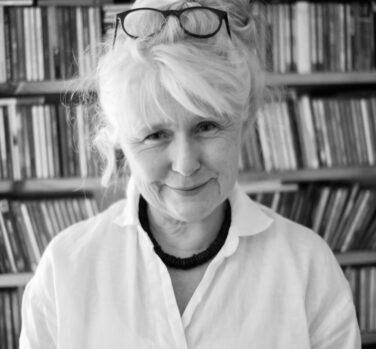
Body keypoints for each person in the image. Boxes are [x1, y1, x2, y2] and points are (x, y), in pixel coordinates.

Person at [20, 0, 361, 348]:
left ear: (245, 122)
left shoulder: (308, 267)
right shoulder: (65, 269)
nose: (185, 164)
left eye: (207, 125)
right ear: (120, 141)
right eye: (155, 135)